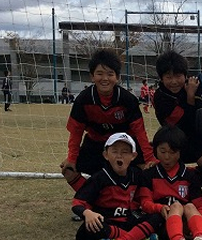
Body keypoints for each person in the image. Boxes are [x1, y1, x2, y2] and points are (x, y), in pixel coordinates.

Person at [60, 49, 157, 193]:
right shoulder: (83, 100)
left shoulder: (127, 99)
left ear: (117, 77)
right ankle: (91, 198)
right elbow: (76, 132)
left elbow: (140, 132)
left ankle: (135, 198)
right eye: (99, 73)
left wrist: (149, 158)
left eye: (110, 74)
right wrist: (72, 158)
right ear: (92, 76)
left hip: (124, 144)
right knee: (67, 169)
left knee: (149, 168)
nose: (105, 78)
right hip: (96, 145)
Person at [72, 132, 163, 240]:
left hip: (130, 219)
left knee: (157, 217)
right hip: (107, 221)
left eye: (125, 152)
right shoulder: (99, 178)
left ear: (133, 156)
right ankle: (139, 239)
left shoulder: (136, 175)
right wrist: (87, 213)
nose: (119, 155)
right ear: (106, 155)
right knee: (86, 232)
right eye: (114, 151)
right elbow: (77, 203)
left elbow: (146, 196)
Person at [137, 125, 202, 240]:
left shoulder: (189, 175)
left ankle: (200, 236)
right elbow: (145, 203)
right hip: (160, 222)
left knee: (190, 206)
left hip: (184, 223)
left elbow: (200, 205)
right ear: (155, 150)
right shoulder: (149, 174)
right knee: (176, 206)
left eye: (172, 152)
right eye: (162, 151)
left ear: (180, 152)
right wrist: (159, 208)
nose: (167, 157)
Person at [152, 50, 201, 164]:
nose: (174, 82)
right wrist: (190, 96)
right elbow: (186, 123)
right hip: (175, 140)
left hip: (198, 136)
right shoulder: (160, 97)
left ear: (185, 75)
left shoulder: (193, 84)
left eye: (178, 76)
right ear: (161, 78)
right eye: (168, 77)